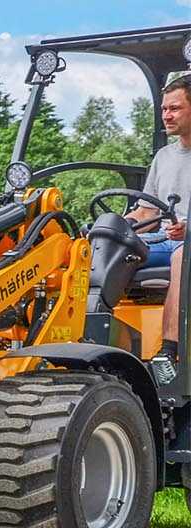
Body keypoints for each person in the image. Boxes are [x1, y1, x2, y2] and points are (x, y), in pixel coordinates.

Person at [138, 75, 191, 384]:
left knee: (182, 256)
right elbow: (148, 211)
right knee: (109, 250)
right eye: (163, 109)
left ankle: (168, 351)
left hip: (184, 246)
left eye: (175, 108)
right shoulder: (164, 157)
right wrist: (121, 226)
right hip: (162, 239)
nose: (167, 116)